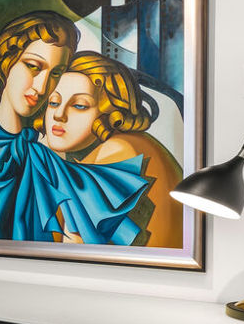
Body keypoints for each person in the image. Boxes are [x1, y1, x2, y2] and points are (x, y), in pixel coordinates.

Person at [0, 14, 148, 244]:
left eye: (56, 73)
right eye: (33, 66)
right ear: (7, 59)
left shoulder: (44, 156)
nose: (41, 87)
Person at [41, 51, 184, 248]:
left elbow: (77, 249)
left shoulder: (118, 150)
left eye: (80, 106)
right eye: (54, 102)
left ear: (110, 114)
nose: (59, 114)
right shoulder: (73, 155)